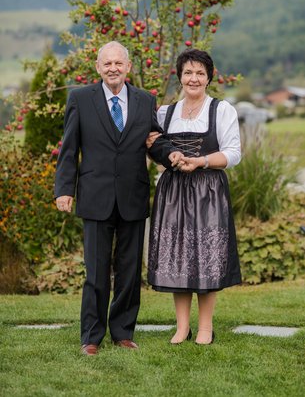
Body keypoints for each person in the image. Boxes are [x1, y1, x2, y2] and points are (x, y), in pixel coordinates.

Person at [55, 41, 182, 355]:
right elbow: (69, 149)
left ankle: (123, 333)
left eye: (118, 63)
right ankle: (91, 337)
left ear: (127, 67)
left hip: (132, 196)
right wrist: (64, 189)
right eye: (107, 63)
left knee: (128, 273)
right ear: (98, 68)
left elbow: (154, 141)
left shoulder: (144, 100)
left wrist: (171, 155)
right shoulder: (80, 99)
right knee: (96, 273)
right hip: (95, 197)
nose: (113, 68)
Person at [147, 49, 242, 345]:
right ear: (180, 76)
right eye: (188, 72)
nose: (194, 78)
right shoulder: (166, 113)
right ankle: (181, 326)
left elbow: (234, 153)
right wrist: (162, 150)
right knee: (178, 257)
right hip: (174, 191)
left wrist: (201, 161)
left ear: (209, 77)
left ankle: (205, 327)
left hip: (208, 190)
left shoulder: (221, 110)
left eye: (200, 73)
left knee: (207, 257)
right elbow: (154, 147)